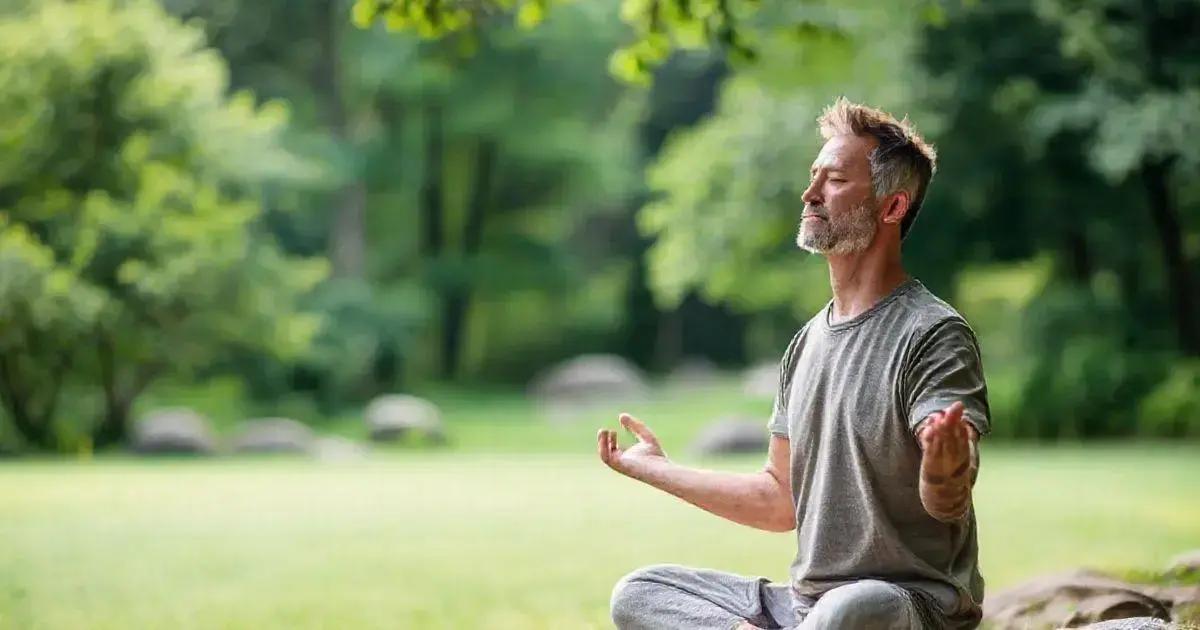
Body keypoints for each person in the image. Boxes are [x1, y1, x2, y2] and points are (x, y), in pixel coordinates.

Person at [597, 97, 990, 630]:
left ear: (891, 207)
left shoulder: (932, 334)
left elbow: (946, 502)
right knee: (641, 593)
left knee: (850, 608)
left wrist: (946, 471)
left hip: (905, 608)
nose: (809, 194)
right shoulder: (805, 344)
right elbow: (780, 500)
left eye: (833, 180)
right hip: (805, 608)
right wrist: (657, 470)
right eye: (813, 177)